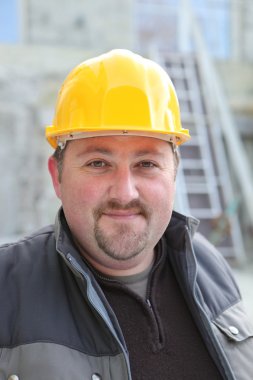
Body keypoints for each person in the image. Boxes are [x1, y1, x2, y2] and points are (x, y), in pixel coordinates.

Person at [0, 49, 252, 380]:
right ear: (57, 176)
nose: (124, 193)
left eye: (146, 164)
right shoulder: (7, 289)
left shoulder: (208, 265)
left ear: (173, 173)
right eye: (98, 164)